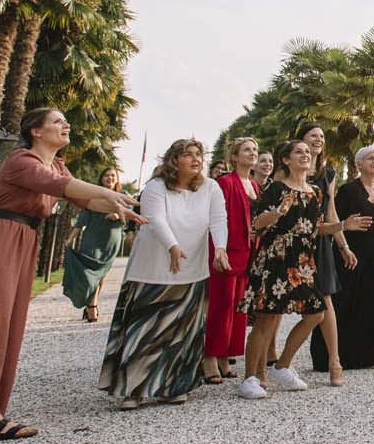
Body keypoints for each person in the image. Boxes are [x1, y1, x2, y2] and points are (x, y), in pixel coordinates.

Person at [0, 107, 142, 441]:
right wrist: (110, 193)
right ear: (36, 131)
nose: (65, 125)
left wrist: (117, 206)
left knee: (3, 325)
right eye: (57, 121)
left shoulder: (56, 164)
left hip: (22, 240)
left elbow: (79, 197)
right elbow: (61, 185)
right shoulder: (21, 160)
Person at [101, 137, 227, 408]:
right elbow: (155, 218)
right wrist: (172, 245)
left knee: (182, 330)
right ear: (174, 160)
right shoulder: (155, 187)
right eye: (188, 155)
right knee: (145, 329)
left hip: (192, 268)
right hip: (153, 267)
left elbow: (218, 220)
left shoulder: (210, 188)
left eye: (199, 155)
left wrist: (220, 248)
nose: (196, 160)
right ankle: (133, 390)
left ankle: (174, 385)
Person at [237, 140, 327, 400]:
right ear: (286, 160)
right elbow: (257, 221)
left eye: (307, 152)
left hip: (302, 262)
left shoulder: (315, 192)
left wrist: (343, 225)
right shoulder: (276, 188)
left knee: (316, 314)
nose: (305, 155)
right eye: (299, 151)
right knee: (267, 318)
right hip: (275, 258)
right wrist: (277, 212)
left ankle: (282, 365)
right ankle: (249, 379)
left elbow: (316, 227)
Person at [293, 123, 365, 387]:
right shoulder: (288, 169)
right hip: (292, 244)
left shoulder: (328, 174)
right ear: (300, 140)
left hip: (321, 242)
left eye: (322, 136)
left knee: (325, 300)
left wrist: (344, 246)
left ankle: (335, 362)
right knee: (277, 308)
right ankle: (269, 361)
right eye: (313, 135)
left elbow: (331, 214)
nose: (318, 139)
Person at [320, 146, 374, 371]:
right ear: (359, 164)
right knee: (347, 301)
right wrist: (343, 248)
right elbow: (333, 220)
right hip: (350, 252)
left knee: (372, 301)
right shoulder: (348, 190)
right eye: (371, 158)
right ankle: (339, 356)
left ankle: (370, 354)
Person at [205, 139, 261, 383]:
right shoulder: (225, 183)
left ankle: (225, 357)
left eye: (255, 150)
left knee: (238, 307)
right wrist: (219, 250)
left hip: (249, 253)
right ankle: (209, 357)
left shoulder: (255, 186)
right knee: (221, 304)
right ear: (235, 157)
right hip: (227, 251)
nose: (253, 153)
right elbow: (216, 219)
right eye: (247, 150)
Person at [61, 166, 130, 323]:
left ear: (117, 179)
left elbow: (131, 213)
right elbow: (82, 219)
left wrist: (118, 215)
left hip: (112, 239)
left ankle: (92, 304)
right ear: (101, 178)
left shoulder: (123, 195)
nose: (109, 178)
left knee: (101, 272)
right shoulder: (93, 195)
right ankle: (92, 305)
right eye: (106, 175)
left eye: (113, 176)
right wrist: (71, 238)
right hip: (92, 237)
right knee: (89, 271)